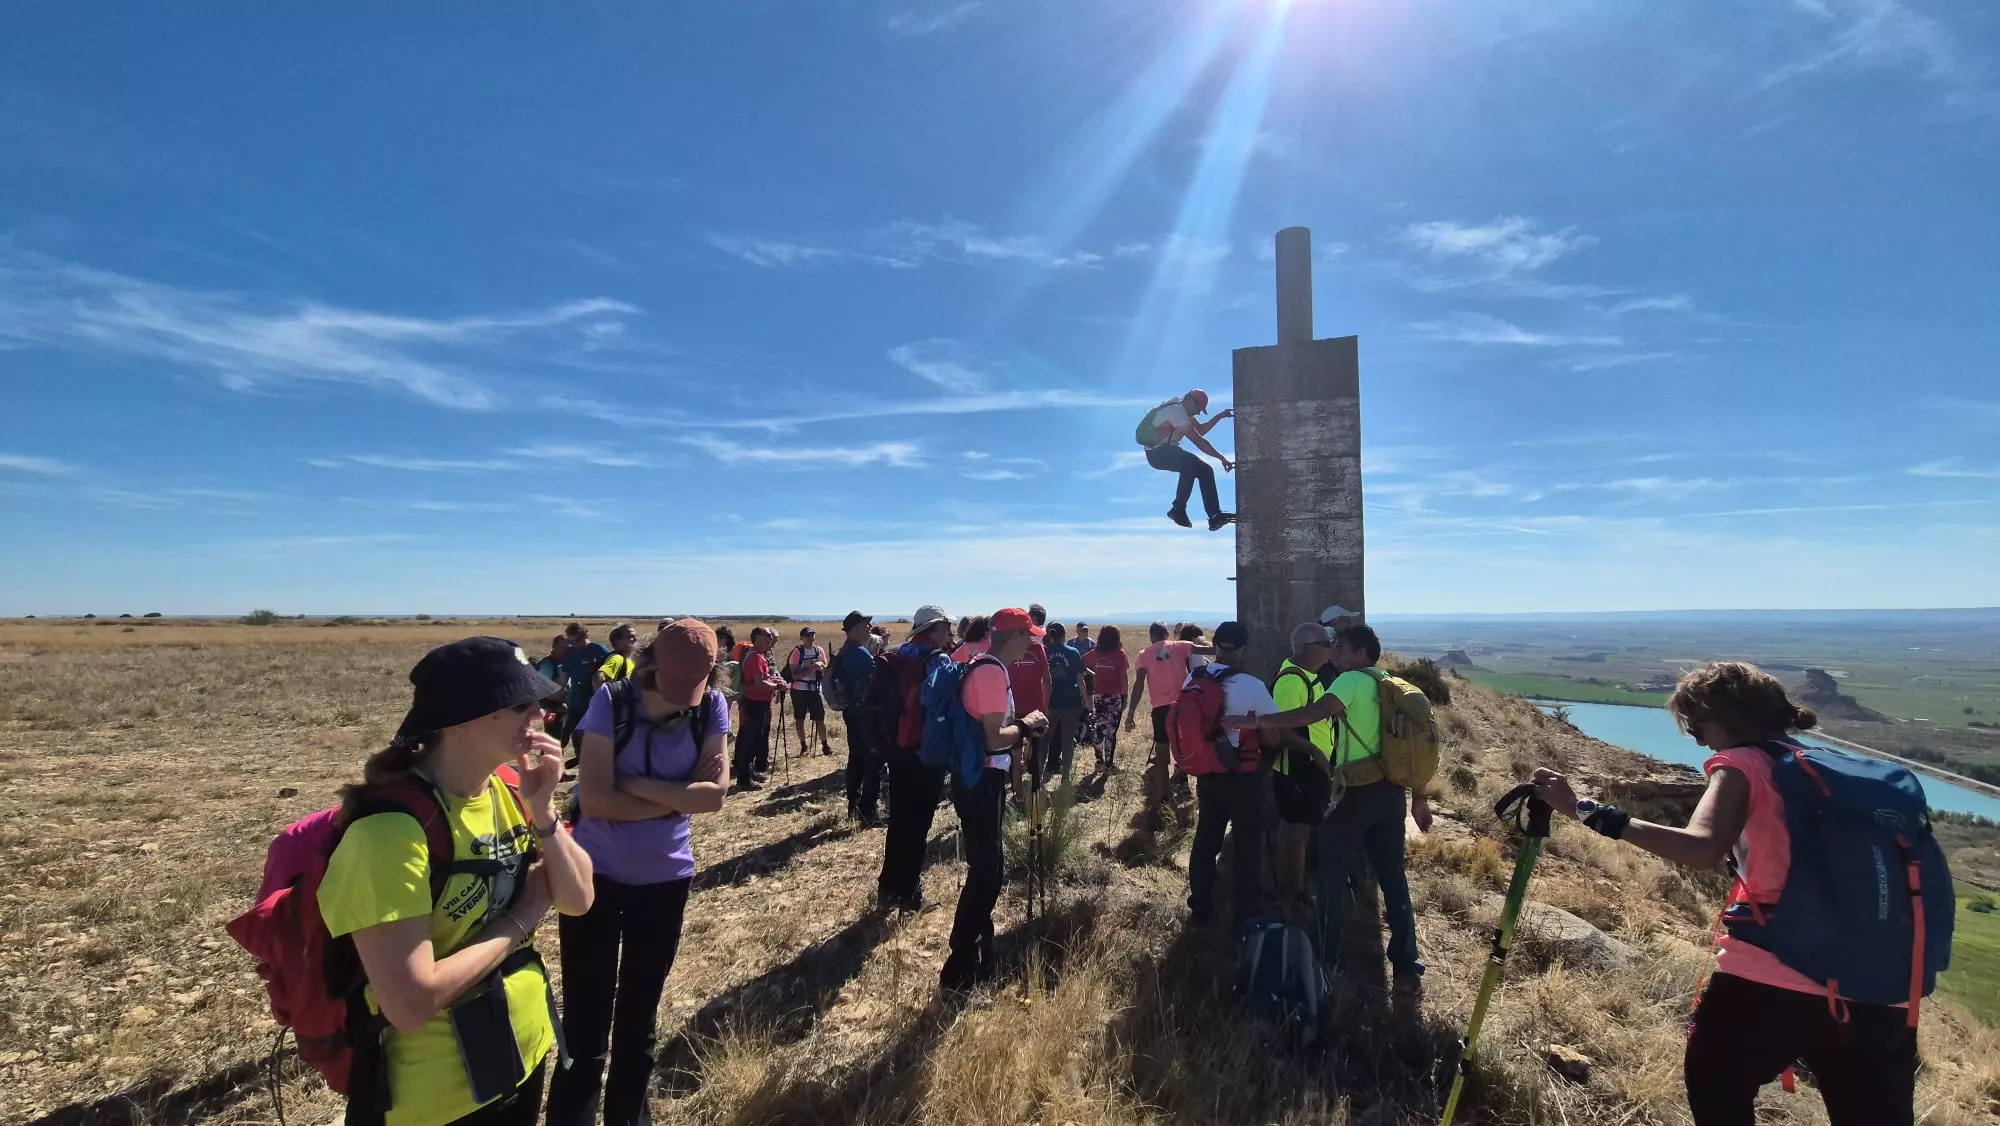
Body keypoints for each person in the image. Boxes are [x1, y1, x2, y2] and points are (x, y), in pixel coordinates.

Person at [1532, 663, 1917, 1126]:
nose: (1695, 740)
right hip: (1880, 983)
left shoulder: (1742, 764)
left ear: (1729, 718)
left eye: (1697, 726)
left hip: (1772, 975)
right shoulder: (1836, 771)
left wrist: (1587, 811)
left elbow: (1701, 849)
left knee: (1718, 1090)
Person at [317, 637, 594, 1126]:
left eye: (539, 702)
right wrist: (521, 919)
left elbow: (577, 898)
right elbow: (409, 1001)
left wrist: (544, 811)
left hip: (522, 1055)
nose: (539, 716)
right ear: (462, 718)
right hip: (436, 1098)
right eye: (518, 705)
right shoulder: (389, 832)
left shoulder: (509, 791)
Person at [548, 623, 728, 1126]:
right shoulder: (612, 700)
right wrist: (675, 800)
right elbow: (597, 801)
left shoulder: (710, 706)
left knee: (639, 1022)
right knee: (585, 1024)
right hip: (594, 880)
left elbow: (713, 797)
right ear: (650, 663)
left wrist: (631, 784)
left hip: (666, 882)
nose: (684, 697)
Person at [1228, 625, 1428, 991]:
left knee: (1331, 875)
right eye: (1332, 645)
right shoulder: (1389, 684)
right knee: (1393, 877)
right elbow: (1410, 746)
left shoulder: (1350, 682)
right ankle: (1405, 961)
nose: (1335, 651)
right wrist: (1420, 797)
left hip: (1356, 793)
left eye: (1342, 647)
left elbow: (1309, 715)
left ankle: (1325, 956)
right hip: (1391, 793)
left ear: (1361, 653)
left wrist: (1256, 721)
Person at [943, 608, 1050, 991]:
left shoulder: (987, 667)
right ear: (1017, 637)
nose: (1033, 642)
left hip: (982, 776)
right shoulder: (990, 671)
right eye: (1030, 636)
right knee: (986, 870)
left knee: (990, 866)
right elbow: (993, 738)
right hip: (980, 778)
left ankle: (980, 952)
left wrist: (1019, 725)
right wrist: (1026, 725)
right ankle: (960, 970)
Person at [1181, 621, 1272, 929]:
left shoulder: (1195, 677)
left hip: (1207, 772)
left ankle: (1201, 907)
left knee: (1206, 840)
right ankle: (1244, 917)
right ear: (1244, 648)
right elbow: (1273, 735)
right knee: (1247, 846)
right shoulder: (1252, 685)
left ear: (1216, 645)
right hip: (1243, 775)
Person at [875, 605, 956, 912]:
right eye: (946, 627)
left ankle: (888, 886)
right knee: (919, 822)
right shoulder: (938, 659)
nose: (948, 632)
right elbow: (945, 702)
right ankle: (909, 893)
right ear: (934, 629)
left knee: (899, 818)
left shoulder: (899, 653)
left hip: (896, 747)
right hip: (926, 748)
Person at [1268, 623, 1337, 904]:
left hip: (1308, 766)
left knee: (1297, 828)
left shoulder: (1310, 675)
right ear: (1310, 649)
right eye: (1325, 643)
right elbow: (1280, 730)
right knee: (1297, 831)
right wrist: (1314, 751)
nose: (1331, 647)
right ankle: (1293, 893)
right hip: (1298, 768)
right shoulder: (1292, 682)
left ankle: (1294, 884)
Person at [1124, 622, 1216, 801]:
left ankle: (1162, 794)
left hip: (1160, 710)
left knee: (1162, 753)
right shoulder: (1180, 646)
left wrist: (1130, 714)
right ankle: (1195, 789)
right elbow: (1212, 651)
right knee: (1190, 747)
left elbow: (1138, 685)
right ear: (1167, 634)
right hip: (1183, 706)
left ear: (1151, 636)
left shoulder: (1144, 655)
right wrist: (1205, 642)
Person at [1135, 388, 1235, 530]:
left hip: (1169, 450)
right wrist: (1221, 458)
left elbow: (1200, 431)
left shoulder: (1182, 412)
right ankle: (1178, 509)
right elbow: (1198, 441)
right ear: (1190, 401)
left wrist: (1219, 416)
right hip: (1157, 453)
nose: (1199, 412)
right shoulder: (1177, 412)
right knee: (1190, 463)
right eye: (1199, 408)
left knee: (1205, 470)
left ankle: (1214, 516)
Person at [835, 611, 882, 824]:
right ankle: (867, 809)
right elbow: (875, 679)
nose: (869, 629)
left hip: (852, 711)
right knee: (871, 758)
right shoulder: (859, 652)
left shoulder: (847, 651)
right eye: (866, 625)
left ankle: (854, 805)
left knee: (857, 757)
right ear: (854, 628)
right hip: (863, 712)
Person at [732, 627, 786, 791]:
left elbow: (765, 678)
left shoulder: (759, 656)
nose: (770, 640)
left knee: (754, 739)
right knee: (750, 740)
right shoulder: (755, 657)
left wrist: (775, 682)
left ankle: (748, 773)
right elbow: (760, 684)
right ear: (757, 638)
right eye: (767, 636)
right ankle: (743, 779)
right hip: (754, 703)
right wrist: (778, 686)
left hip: (758, 703)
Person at [1041, 623, 1090, 779]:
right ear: (1063, 636)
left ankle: (1040, 776)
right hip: (1071, 701)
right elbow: (1081, 680)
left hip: (1050, 701)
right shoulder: (1073, 652)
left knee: (1045, 739)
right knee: (1067, 740)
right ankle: (1066, 777)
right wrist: (1086, 701)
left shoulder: (1044, 652)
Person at [1081, 626, 1129, 772]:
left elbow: (1081, 662)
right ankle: (1108, 763)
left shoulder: (1096, 653)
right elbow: (1124, 678)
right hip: (1115, 697)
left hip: (1098, 697)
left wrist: (1094, 674)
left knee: (1099, 729)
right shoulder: (1120, 654)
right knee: (1111, 732)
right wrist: (1125, 696)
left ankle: (1099, 760)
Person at [558, 624, 611, 751]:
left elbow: (611, 673)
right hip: (576, 702)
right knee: (577, 738)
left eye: (576, 641)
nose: (573, 645)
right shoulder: (570, 654)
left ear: (585, 637)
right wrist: (554, 695)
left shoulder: (599, 650)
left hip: (595, 702)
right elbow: (563, 679)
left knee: (596, 739)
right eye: (570, 642)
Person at [785, 627, 832, 757]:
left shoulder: (819, 650)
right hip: (799, 689)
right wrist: (810, 669)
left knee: (820, 718)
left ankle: (825, 745)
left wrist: (820, 666)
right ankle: (803, 746)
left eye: (812, 635)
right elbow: (794, 674)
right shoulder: (797, 652)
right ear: (802, 638)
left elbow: (826, 668)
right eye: (807, 636)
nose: (811, 638)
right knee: (799, 719)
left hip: (815, 689)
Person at [592, 624, 639, 693]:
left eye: (636, 636)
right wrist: (604, 700)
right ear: (618, 641)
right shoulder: (617, 659)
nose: (636, 639)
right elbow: (597, 679)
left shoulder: (630, 659)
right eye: (631, 636)